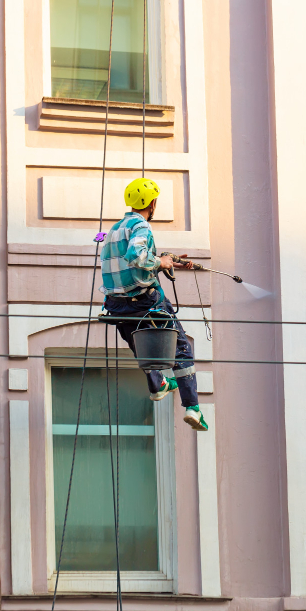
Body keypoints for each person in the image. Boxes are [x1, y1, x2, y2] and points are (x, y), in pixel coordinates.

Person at [100, 177, 209, 431]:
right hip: (145, 300)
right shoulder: (141, 226)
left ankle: (158, 384)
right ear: (152, 202)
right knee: (180, 346)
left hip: (117, 304)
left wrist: (165, 259)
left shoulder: (114, 230)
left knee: (144, 347)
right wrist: (160, 263)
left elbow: (129, 265)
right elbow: (137, 256)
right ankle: (192, 407)